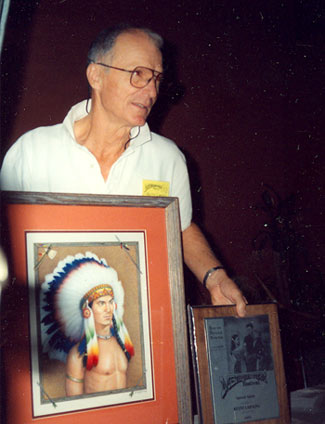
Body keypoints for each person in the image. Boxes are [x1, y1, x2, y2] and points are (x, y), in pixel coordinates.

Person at [0, 25, 247, 316]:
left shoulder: (167, 159)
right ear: (96, 76)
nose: (152, 91)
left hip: (134, 327)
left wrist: (214, 276)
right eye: (138, 74)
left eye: (156, 78)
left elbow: (179, 228)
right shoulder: (32, 152)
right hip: (48, 330)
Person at [41, 252, 134, 396]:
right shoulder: (78, 355)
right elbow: (75, 406)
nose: (108, 309)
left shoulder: (121, 344)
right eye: (101, 303)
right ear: (87, 311)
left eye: (110, 302)